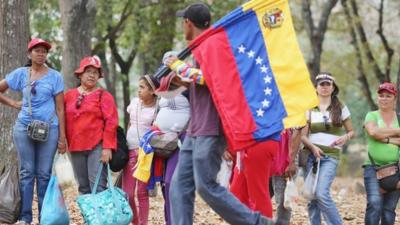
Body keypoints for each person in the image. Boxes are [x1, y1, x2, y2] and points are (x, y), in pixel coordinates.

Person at [164, 3, 274, 225]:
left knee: (206, 186)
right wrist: (182, 80)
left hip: (211, 129)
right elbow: (206, 83)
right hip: (195, 129)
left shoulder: (212, 43)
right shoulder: (199, 46)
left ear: (188, 22)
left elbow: (210, 77)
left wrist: (177, 66)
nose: (182, 27)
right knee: (178, 186)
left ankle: (258, 223)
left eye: (182, 22)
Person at [0, 38, 66, 225]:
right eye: (37, 50)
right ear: (29, 54)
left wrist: (62, 136)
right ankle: (25, 217)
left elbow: (61, 109)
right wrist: (13, 103)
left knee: (44, 173)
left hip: (49, 129)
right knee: (26, 172)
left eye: (44, 51)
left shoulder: (55, 77)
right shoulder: (20, 74)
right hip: (24, 128)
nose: (41, 54)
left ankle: (45, 217)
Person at [301, 72, 354, 225]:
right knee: (311, 196)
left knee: (322, 193)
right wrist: (313, 148)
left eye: (327, 84)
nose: (324, 87)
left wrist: (345, 137)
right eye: (321, 84)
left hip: (331, 156)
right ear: (316, 88)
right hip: (311, 156)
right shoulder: (309, 108)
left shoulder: (340, 107)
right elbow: (303, 136)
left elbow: (351, 131)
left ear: (332, 87)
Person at [64, 56, 118, 195]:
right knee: (83, 188)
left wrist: (107, 148)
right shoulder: (69, 96)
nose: (92, 75)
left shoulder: (104, 96)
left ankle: (101, 217)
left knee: (98, 187)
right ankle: (89, 218)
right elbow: (60, 117)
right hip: (76, 147)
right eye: (88, 71)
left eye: (95, 72)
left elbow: (111, 122)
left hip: (97, 147)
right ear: (80, 74)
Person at [122, 75, 159, 225]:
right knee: (128, 193)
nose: (139, 91)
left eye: (142, 88)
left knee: (142, 193)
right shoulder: (135, 103)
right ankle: (135, 221)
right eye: (139, 87)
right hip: (129, 151)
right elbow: (131, 124)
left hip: (146, 154)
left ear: (152, 91)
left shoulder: (158, 107)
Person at [363, 82, 400, 225]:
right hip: (372, 168)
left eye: (388, 96)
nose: (384, 99)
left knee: (389, 210)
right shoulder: (371, 115)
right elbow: (373, 132)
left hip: (396, 169)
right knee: (374, 203)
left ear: (394, 99)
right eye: (381, 95)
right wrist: (396, 134)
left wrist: (382, 135)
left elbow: (378, 133)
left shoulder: (399, 118)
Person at [270, 128, 303, 225]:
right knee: (261, 195)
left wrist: (291, 161)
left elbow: (298, 133)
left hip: (286, 158)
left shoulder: (295, 114)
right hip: (269, 155)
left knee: (282, 199)